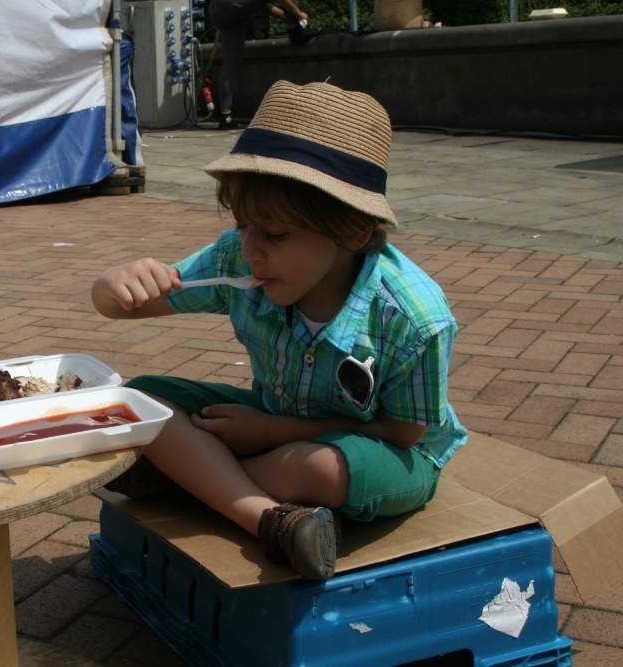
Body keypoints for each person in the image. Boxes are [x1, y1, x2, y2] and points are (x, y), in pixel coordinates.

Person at [91, 81, 467, 580]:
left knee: (318, 470)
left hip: (386, 454)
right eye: (244, 224)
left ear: (352, 229)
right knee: (140, 400)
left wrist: (276, 432)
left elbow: (403, 432)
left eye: (274, 234)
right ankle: (269, 519)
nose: (249, 251)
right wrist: (114, 285)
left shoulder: (413, 317)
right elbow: (124, 307)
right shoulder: (238, 258)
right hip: (271, 424)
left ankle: (198, 480)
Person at [209, 0, 321, 130]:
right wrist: (299, 14)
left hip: (218, 11)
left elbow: (265, 6)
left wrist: (289, 15)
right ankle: (297, 30)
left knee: (230, 63)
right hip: (234, 6)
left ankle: (225, 117)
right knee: (278, 4)